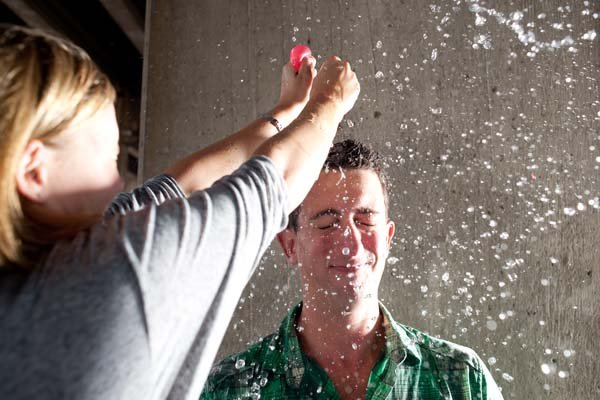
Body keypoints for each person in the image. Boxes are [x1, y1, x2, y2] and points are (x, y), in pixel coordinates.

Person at [0, 25, 360, 400]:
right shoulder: (112, 270)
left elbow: (180, 186)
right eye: (108, 158)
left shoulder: (36, 262)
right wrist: (330, 101)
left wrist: (285, 112)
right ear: (34, 171)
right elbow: (271, 186)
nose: (116, 184)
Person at [200, 140, 504, 400]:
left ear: (387, 238)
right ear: (290, 245)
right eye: (327, 222)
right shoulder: (231, 388)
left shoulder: (461, 380)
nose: (349, 241)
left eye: (365, 220)